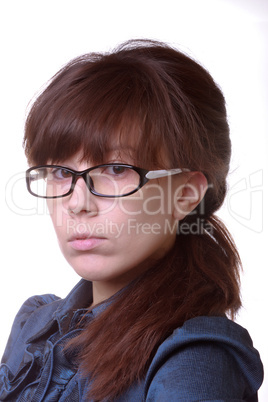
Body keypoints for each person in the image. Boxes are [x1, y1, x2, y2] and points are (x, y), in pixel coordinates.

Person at [0, 39, 263, 401]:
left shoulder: (195, 358)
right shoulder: (35, 325)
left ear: (185, 194)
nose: (78, 203)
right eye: (60, 172)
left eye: (115, 169)